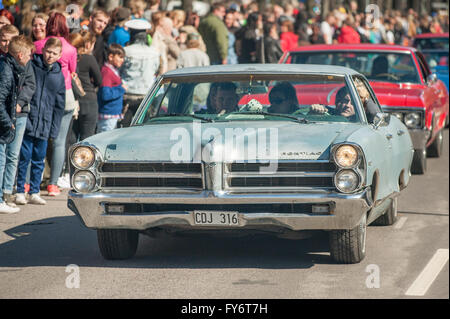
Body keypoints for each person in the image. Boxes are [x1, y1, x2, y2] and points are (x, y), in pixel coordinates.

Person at [15, 38, 65, 206]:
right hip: (29, 119)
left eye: (54, 53)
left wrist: (54, 128)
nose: (50, 56)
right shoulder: (32, 65)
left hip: (45, 123)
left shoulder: (59, 74)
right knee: (24, 157)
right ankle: (21, 190)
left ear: (60, 55)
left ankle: (35, 191)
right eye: (48, 51)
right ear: (43, 50)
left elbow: (59, 104)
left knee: (39, 159)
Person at [33, 12, 78, 197]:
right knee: (60, 142)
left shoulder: (38, 45)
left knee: (36, 136)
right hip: (65, 94)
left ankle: (30, 182)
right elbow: (73, 71)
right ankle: (53, 184)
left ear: (48, 25)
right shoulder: (70, 48)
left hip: (41, 92)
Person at [0, 36, 36, 210]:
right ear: (21, 55)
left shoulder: (16, 66)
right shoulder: (6, 69)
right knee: (1, 158)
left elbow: (30, 86)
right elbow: (0, 100)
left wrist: (20, 104)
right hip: (7, 119)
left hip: (13, 117)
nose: (31, 58)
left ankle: (6, 194)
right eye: (29, 55)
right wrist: (8, 122)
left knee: (11, 156)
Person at [120, 18, 160, 128]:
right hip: (146, 94)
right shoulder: (154, 52)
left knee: (124, 126)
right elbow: (155, 70)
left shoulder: (126, 51)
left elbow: (120, 70)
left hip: (128, 94)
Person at [68, 30, 102, 143]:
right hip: (89, 100)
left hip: (73, 100)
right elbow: (99, 80)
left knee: (71, 138)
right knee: (87, 139)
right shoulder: (89, 58)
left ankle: (68, 161)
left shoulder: (68, 57)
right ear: (88, 44)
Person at [97, 43, 126, 133]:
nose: (123, 60)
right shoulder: (107, 72)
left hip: (112, 114)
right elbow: (105, 94)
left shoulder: (113, 70)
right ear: (111, 57)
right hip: (108, 115)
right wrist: (121, 89)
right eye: (120, 57)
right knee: (104, 141)